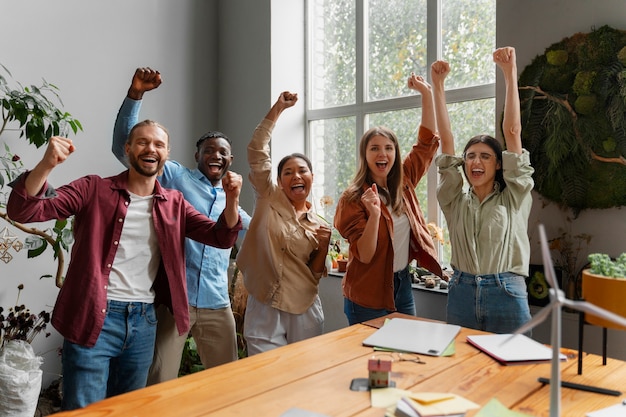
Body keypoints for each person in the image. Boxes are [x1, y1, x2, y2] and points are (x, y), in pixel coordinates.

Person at [7, 121, 242, 410]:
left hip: (143, 322)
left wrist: (232, 200)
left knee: (129, 409)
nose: (150, 149)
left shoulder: (174, 203)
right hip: (94, 316)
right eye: (142, 142)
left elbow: (220, 236)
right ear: (128, 149)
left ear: (166, 154)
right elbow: (24, 209)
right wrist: (46, 164)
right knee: (85, 410)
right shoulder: (94, 188)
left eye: (158, 144)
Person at [112, 68, 251, 384]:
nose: (216, 155)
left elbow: (261, 235)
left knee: (228, 382)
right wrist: (136, 94)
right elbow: (124, 144)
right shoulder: (175, 177)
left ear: (230, 160)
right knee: (159, 382)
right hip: (177, 301)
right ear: (196, 155)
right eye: (209, 150)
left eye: (223, 152)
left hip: (218, 305)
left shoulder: (232, 199)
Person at [432, 46, 534, 334]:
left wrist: (509, 73)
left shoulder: (514, 196)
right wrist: (438, 86)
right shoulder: (454, 200)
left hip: (507, 292)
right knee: (463, 373)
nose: (476, 161)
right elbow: (447, 143)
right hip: (461, 292)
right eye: (471, 156)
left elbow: (512, 132)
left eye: (485, 156)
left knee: (514, 374)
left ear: (499, 165)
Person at [333, 73, 443, 326]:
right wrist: (373, 214)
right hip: (367, 293)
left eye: (388, 148)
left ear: (395, 153)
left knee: (404, 356)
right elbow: (366, 254)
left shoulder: (404, 184)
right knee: (370, 361)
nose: (382, 153)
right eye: (374, 148)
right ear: (365, 155)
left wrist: (426, 94)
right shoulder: (352, 198)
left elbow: (426, 144)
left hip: (401, 286)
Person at [236, 91, 331, 355]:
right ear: (278, 180)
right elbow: (256, 150)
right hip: (263, 304)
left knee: (303, 376)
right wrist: (278, 108)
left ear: (312, 176)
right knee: (265, 376)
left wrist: (323, 247)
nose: (296, 176)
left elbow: (314, 273)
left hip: (304, 308)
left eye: (302, 171)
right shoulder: (268, 198)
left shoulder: (318, 225)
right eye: (288, 172)